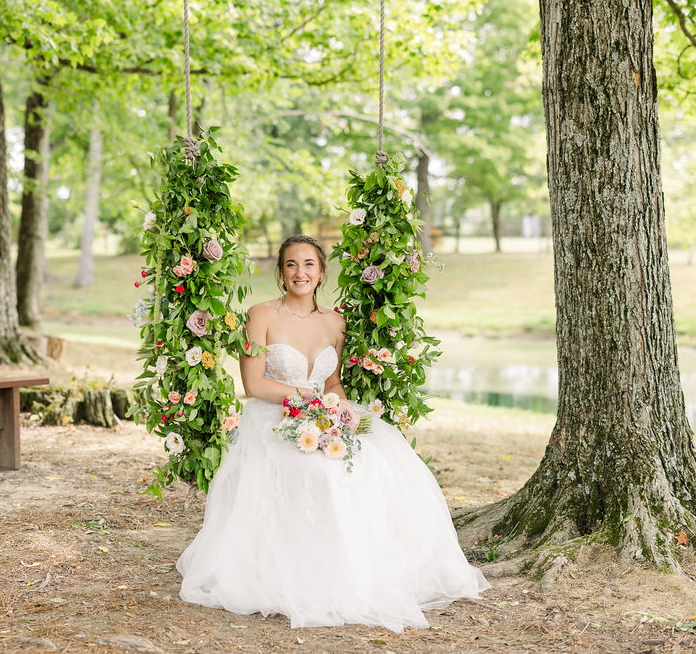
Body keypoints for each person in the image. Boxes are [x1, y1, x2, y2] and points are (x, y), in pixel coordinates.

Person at [176, 235, 490, 632]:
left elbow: (334, 382)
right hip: (273, 417)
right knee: (320, 473)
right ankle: (310, 575)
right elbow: (254, 385)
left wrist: (339, 407)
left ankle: (371, 568)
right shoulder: (261, 316)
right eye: (291, 264)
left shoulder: (335, 322)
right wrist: (306, 398)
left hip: (321, 416)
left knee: (379, 461)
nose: (300, 272)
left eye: (308, 264)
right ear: (280, 271)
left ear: (322, 272)